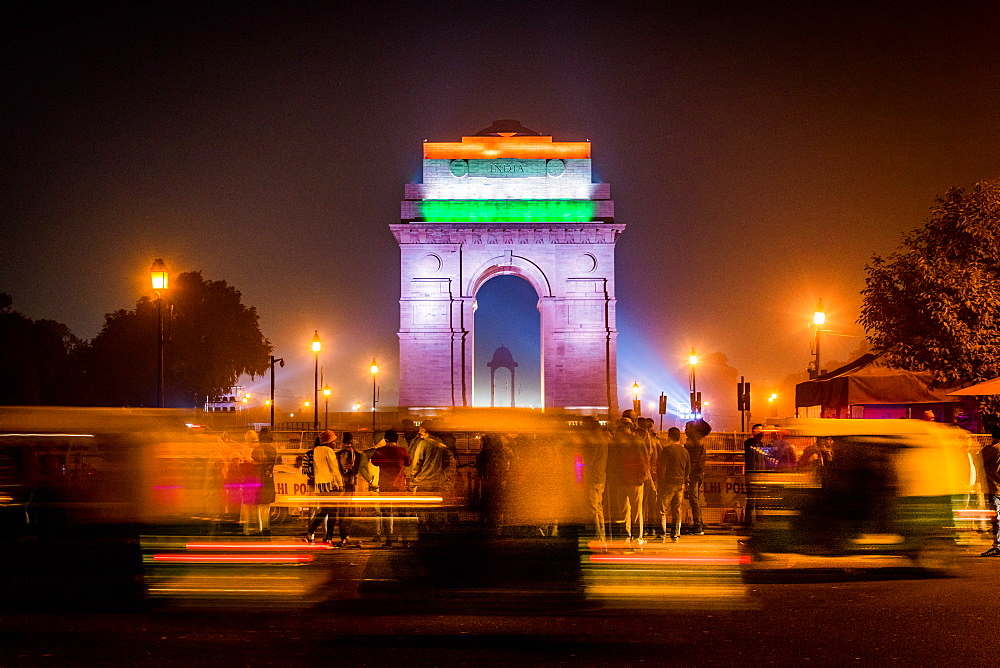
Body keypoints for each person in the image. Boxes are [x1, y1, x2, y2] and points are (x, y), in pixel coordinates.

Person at [607, 417, 650, 544]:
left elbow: (643, 461)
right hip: (628, 480)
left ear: (628, 427)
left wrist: (640, 478)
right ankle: (634, 536)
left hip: (628, 480)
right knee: (631, 510)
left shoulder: (630, 442)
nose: (618, 431)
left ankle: (633, 535)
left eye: (621, 428)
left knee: (629, 510)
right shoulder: (635, 441)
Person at [370, 429, 412, 547]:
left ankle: (389, 540)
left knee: (387, 514)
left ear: (385, 439)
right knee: (403, 515)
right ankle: (405, 540)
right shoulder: (402, 451)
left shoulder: (380, 451)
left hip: (385, 487)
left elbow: (374, 462)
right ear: (396, 439)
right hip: (400, 487)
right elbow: (408, 463)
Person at [304, 430, 342, 544]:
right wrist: (340, 484)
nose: (335, 442)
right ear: (330, 441)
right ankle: (327, 537)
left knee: (324, 511)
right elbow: (334, 469)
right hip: (330, 485)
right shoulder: (328, 451)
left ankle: (311, 533)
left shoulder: (316, 450)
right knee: (331, 513)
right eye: (334, 440)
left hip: (320, 485)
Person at [578, 416, 609, 543]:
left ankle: (597, 535)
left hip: (593, 477)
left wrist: (579, 467)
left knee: (593, 508)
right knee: (599, 507)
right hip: (600, 477)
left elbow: (589, 461)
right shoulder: (602, 438)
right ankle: (601, 535)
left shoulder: (594, 440)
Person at [656, 427, 690, 542]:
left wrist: (659, 482)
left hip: (668, 483)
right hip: (680, 483)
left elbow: (661, 469)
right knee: (677, 509)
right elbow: (688, 469)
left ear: (669, 436)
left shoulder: (667, 450)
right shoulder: (685, 451)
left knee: (662, 510)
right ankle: (675, 533)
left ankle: (662, 533)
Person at [245, 427, 277, 535]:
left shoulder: (257, 450)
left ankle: (260, 528)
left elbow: (253, 463)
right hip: (269, 480)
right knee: (266, 506)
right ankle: (266, 527)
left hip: (258, 480)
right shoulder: (273, 449)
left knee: (259, 506)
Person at [333, 432, 362, 547]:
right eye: (346, 443)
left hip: (350, 486)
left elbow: (356, 470)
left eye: (349, 443)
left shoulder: (357, 455)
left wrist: (350, 469)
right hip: (340, 486)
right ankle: (343, 536)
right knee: (341, 512)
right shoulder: (338, 455)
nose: (348, 445)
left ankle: (347, 535)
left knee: (349, 512)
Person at [684, 419, 711, 535]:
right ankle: (698, 522)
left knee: (694, 498)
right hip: (697, 474)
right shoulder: (699, 442)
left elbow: (692, 462)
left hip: (693, 475)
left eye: (687, 428)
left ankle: (697, 524)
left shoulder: (693, 444)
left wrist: (688, 475)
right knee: (695, 498)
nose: (685, 430)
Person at [979, 425, 1000, 557]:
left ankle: (997, 546)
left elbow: (979, 461)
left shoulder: (991, 449)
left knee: (996, 519)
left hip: (994, 488)